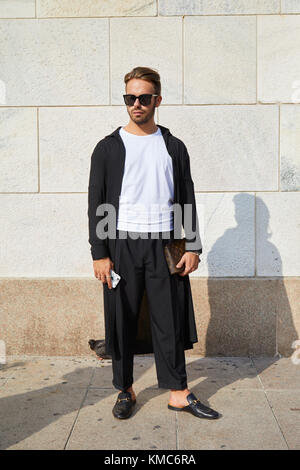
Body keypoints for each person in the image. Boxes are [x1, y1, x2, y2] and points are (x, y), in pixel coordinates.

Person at [88, 66, 220, 420]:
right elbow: (97, 202)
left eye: (144, 98)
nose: (136, 105)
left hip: (164, 246)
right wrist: (99, 253)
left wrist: (192, 245)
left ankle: (178, 391)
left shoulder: (173, 147)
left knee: (169, 320)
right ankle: (125, 389)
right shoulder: (108, 148)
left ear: (157, 100)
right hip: (122, 246)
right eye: (130, 98)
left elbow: (186, 198)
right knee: (122, 320)